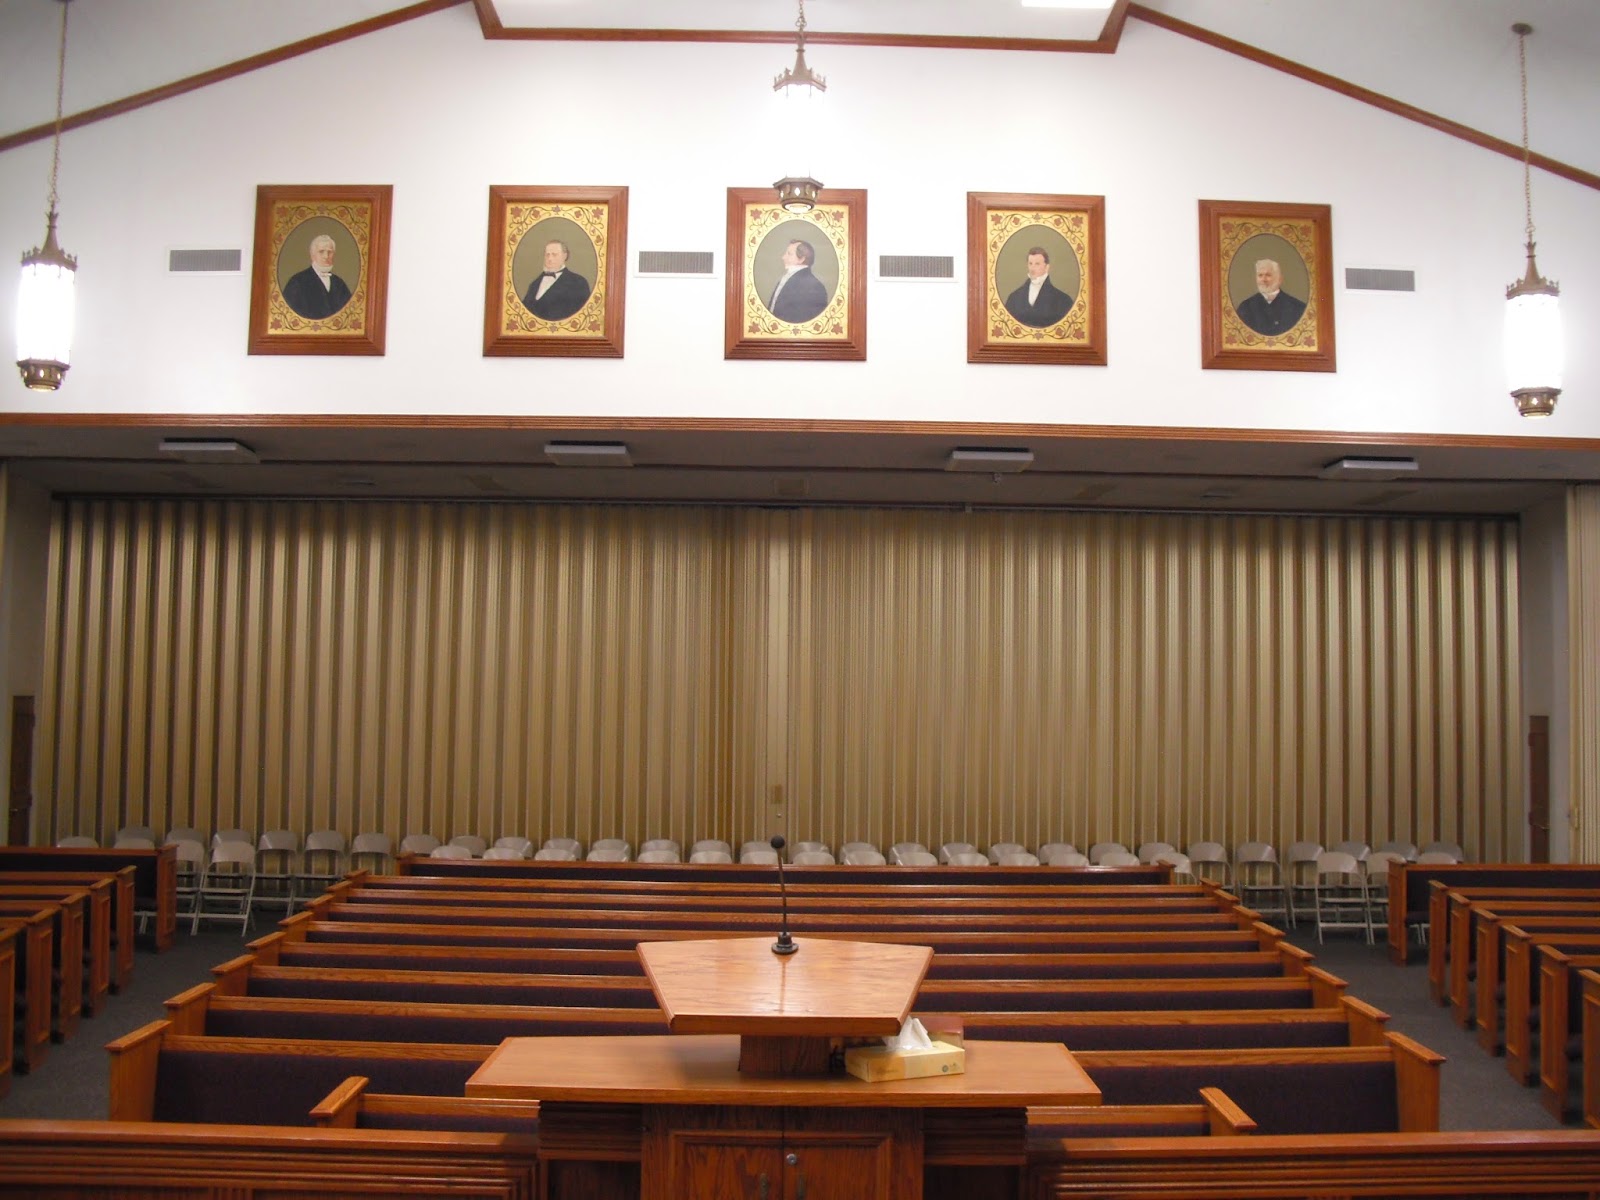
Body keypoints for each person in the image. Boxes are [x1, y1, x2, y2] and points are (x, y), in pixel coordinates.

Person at [280, 234, 352, 320]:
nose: (326, 256)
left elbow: (349, 314)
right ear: (312, 255)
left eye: (330, 252)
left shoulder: (339, 283)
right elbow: (288, 315)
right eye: (321, 251)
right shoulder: (297, 282)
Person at [1003, 246, 1073, 328]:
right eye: (1030, 263)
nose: (1032, 268)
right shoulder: (1014, 297)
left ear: (1046, 267)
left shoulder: (1063, 300)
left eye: (1037, 264)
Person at [522, 239, 592, 320]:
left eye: (554, 255)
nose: (550, 258)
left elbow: (582, 315)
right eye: (547, 255)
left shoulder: (579, 283)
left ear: (564, 256)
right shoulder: (534, 284)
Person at [1234, 258, 1306, 335]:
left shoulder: (1298, 307)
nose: (1263, 279)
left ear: (1280, 279)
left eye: (1268, 275)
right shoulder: (1245, 307)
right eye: (1260, 275)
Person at [765, 238, 828, 324]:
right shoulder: (786, 278)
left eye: (789, 254)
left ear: (801, 259)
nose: (783, 257)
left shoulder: (814, 286)